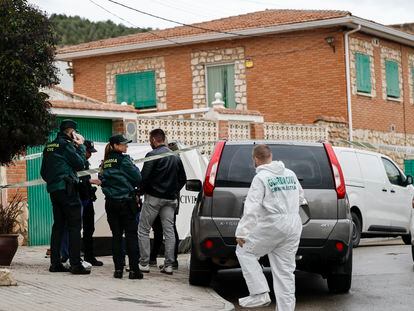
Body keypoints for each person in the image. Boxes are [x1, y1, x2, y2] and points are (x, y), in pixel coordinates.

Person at [235, 144, 305, 310]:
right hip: (294, 224)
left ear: (256, 159)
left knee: (244, 251)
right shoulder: (290, 174)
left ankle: (259, 293)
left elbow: (252, 208)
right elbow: (301, 197)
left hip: (273, 224)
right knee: (285, 273)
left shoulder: (261, 178)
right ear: (270, 157)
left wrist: (242, 232)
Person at [40, 119, 90, 275]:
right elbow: (80, 164)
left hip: (54, 191)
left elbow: (43, 172)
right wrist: (81, 146)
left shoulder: (49, 146)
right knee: (74, 225)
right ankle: (75, 264)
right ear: (71, 132)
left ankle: (55, 264)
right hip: (67, 190)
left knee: (58, 226)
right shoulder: (66, 145)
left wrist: (54, 181)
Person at [138, 129, 186, 275]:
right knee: (169, 231)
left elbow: (144, 178)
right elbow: (183, 179)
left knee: (143, 229)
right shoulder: (175, 156)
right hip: (170, 199)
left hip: (153, 197)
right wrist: (172, 190)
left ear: (153, 140)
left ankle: (144, 263)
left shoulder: (151, 155)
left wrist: (138, 193)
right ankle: (169, 265)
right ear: (163, 139)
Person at [100, 134, 143, 280]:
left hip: (111, 203)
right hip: (126, 203)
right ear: (115, 145)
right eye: (123, 144)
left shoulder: (105, 162)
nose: (126, 146)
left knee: (116, 237)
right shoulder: (124, 160)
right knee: (131, 236)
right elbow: (138, 177)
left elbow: (102, 180)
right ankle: (134, 270)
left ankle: (118, 270)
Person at [60, 140, 102, 267]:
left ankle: (89, 255)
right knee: (71, 227)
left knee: (89, 228)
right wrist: (90, 181)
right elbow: (75, 180)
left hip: (87, 198)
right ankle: (66, 255)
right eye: (89, 152)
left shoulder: (85, 162)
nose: (90, 155)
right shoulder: (74, 161)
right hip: (76, 198)